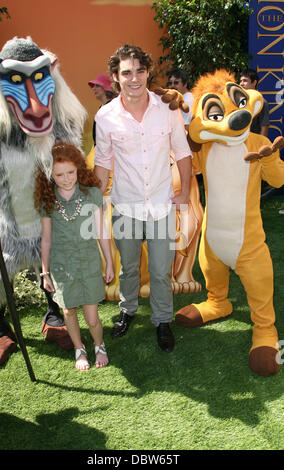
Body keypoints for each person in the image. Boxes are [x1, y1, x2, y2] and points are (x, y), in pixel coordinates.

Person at [94, 44, 192, 353]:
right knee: (129, 267)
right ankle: (128, 309)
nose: (134, 78)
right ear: (115, 77)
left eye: (140, 71)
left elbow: (184, 151)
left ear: (148, 72)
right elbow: (103, 163)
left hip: (162, 204)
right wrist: (95, 199)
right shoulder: (106, 116)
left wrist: (185, 191)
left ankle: (163, 320)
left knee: (162, 269)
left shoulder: (168, 108)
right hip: (126, 205)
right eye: (126, 72)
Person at [34, 142, 114, 371]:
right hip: (62, 265)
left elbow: (101, 232)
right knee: (68, 311)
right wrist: (45, 272)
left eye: (71, 172)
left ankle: (99, 345)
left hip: (88, 261)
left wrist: (109, 261)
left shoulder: (92, 195)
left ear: (79, 168)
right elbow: (46, 239)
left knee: (92, 317)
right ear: (50, 174)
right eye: (59, 175)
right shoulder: (48, 200)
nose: (67, 178)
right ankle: (79, 348)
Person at [240, 68, 269, 136]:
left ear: (254, 82)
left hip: (254, 143)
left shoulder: (262, 102)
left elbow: (264, 127)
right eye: (240, 81)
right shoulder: (239, 101)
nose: (241, 84)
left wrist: (261, 145)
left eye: (245, 81)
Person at [88, 74, 116, 145]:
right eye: (93, 86)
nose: (93, 88)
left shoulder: (114, 108)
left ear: (106, 87)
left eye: (97, 86)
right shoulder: (102, 108)